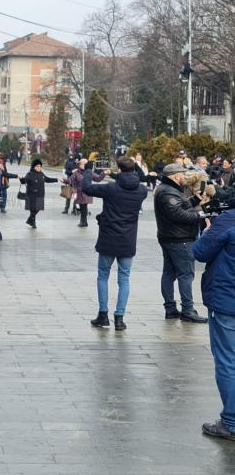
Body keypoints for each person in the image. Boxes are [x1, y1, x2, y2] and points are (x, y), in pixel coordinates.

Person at [83, 157, 148, 331]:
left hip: (108, 238)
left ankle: (103, 314)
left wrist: (88, 169)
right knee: (124, 278)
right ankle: (119, 318)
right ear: (133, 169)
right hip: (127, 240)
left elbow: (87, 188)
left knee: (103, 275)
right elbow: (141, 178)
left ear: (119, 169)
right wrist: (135, 166)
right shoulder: (141, 191)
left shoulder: (111, 189)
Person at [193, 205, 235, 440]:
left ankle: (231, 421)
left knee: (228, 360)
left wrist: (207, 231)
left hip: (228, 300)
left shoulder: (228, 220)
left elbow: (200, 252)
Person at [154, 163, 208, 323]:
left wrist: (195, 200)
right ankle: (187, 310)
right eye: (183, 174)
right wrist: (200, 216)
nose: (185, 177)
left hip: (171, 237)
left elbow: (180, 207)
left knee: (169, 274)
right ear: (176, 176)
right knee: (186, 274)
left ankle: (170, 309)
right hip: (179, 239)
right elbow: (177, 214)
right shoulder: (167, 192)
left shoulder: (168, 189)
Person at [19, 159, 61, 229]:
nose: (39, 168)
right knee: (33, 210)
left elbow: (47, 179)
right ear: (34, 167)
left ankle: (30, 220)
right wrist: (21, 179)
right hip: (32, 195)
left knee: (38, 208)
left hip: (40, 194)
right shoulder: (30, 174)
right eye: (37, 166)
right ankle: (33, 223)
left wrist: (57, 179)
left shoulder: (41, 173)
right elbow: (24, 181)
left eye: (40, 166)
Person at [66, 158, 106, 227]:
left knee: (84, 207)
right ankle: (84, 221)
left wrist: (103, 174)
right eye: (82, 164)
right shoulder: (77, 172)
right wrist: (63, 180)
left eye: (84, 164)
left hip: (86, 192)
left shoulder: (89, 172)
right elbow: (70, 180)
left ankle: (83, 222)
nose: (83, 165)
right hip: (79, 193)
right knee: (82, 207)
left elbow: (98, 178)